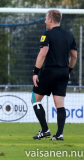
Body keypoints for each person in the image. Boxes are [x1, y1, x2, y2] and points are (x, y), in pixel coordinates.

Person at [31, 10, 77, 141]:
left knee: (35, 99)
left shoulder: (47, 34)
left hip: (50, 71)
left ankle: (45, 130)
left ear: (50, 20)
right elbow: (74, 56)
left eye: (46, 18)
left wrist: (35, 72)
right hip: (63, 72)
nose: (45, 21)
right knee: (60, 104)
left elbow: (42, 54)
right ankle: (59, 134)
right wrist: (68, 71)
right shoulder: (69, 34)